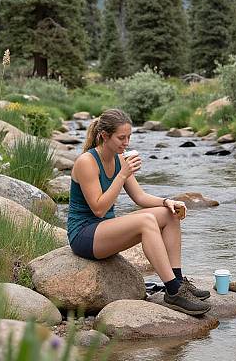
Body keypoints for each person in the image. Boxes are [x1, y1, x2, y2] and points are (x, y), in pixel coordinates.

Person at [67, 108, 211, 316]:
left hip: (105, 231)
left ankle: (179, 282)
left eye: (129, 137)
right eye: (121, 138)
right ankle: (172, 292)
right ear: (104, 136)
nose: (126, 143)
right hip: (84, 235)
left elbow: (140, 197)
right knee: (146, 221)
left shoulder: (119, 159)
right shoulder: (86, 162)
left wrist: (167, 201)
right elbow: (99, 209)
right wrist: (122, 174)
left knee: (169, 213)